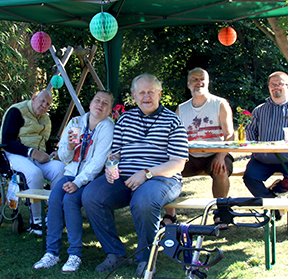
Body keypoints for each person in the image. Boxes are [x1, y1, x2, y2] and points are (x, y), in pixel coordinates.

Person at [82, 74, 189, 277]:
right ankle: (114, 253)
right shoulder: (125, 119)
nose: (146, 96)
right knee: (91, 195)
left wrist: (147, 173)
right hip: (126, 178)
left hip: (162, 179)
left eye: (151, 92)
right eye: (141, 92)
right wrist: (111, 165)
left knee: (144, 200)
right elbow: (116, 153)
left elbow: (178, 164)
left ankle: (145, 257)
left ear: (159, 93)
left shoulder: (173, 121)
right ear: (133, 95)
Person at [32, 91, 115, 273]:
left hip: (92, 178)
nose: (100, 105)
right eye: (97, 100)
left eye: (105, 103)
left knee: (69, 201)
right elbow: (62, 156)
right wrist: (69, 147)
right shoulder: (76, 122)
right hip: (70, 173)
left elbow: (97, 162)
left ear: (109, 110)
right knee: (55, 199)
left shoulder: (108, 127)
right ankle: (51, 253)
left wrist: (78, 182)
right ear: (90, 103)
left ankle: (74, 254)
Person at [168, 67, 234, 229]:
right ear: (188, 85)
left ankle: (221, 212)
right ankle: (170, 215)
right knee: (166, 170)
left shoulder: (220, 104)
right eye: (194, 80)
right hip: (189, 156)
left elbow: (229, 135)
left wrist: (220, 156)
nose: (199, 83)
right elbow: (173, 137)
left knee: (221, 169)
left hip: (214, 154)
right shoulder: (181, 109)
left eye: (202, 79)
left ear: (208, 82)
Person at [0, 88, 65, 234]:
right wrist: (32, 152)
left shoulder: (45, 119)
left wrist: (52, 152)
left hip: (38, 154)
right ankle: (36, 221)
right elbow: (7, 141)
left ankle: (52, 216)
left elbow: (44, 142)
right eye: (42, 101)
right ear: (33, 98)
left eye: (48, 104)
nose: (44, 106)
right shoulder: (16, 111)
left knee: (60, 168)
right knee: (34, 173)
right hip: (16, 154)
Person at [243, 71, 288, 200]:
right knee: (250, 177)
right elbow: (250, 131)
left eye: (280, 84)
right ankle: (273, 205)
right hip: (263, 158)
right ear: (269, 87)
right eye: (272, 84)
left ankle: (276, 191)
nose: (276, 87)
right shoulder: (259, 110)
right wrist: (256, 148)